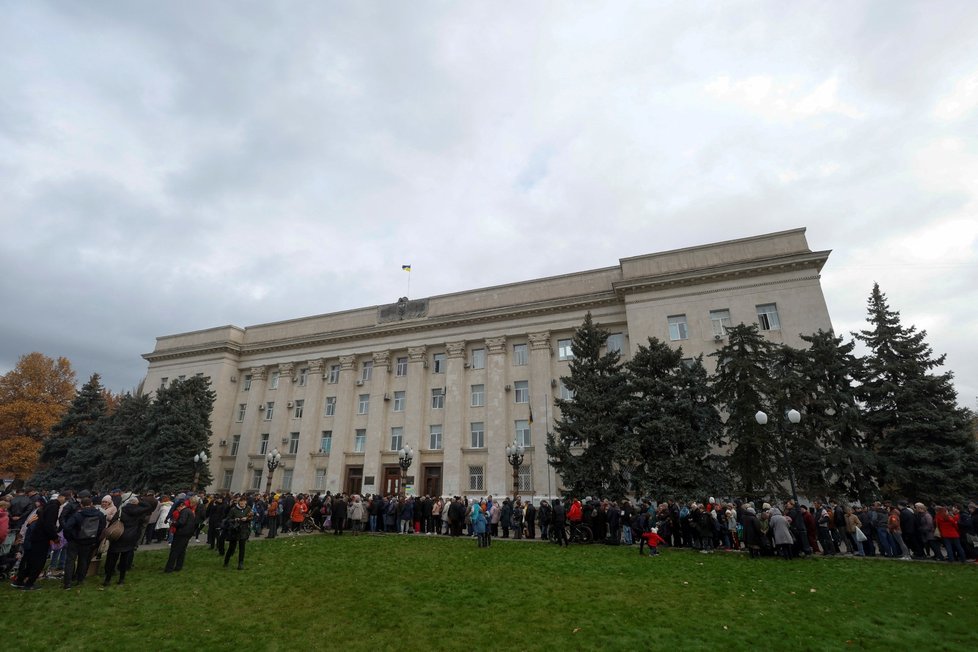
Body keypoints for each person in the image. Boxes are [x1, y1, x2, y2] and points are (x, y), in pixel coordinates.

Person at [103, 493, 157, 586]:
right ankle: (121, 580)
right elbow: (149, 506)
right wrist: (140, 500)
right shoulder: (139, 512)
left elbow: (113, 522)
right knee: (124, 560)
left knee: (112, 559)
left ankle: (107, 579)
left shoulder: (121, 511)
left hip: (118, 536)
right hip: (130, 538)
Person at [11, 495, 59, 590]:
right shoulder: (41, 519)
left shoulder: (35, 517)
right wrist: (55, 537)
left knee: (29, 562)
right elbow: (47, 528)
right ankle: (29, 583)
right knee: (37, 563)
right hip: (38, 543)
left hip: (30, 543)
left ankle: (20, 580)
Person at [61, 495, 105, 589]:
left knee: (70, 561)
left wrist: (70, 537)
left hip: (75, 541)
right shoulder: (99, 514)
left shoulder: (78, 515)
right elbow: (101, 528)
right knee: (84, 561)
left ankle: (67, 583)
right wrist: (95, 539)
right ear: (91, 504)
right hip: (89, 541)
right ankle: (80, 580)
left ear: (81, 505)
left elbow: (67, 527)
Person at [164, 497, 198, 573]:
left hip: (181, 533)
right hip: (187, 533)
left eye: (177, 508)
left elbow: (181, 522)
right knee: (182, 551)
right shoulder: (190, 511)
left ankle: (169, 568)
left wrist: (173, 523)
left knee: (174, 551)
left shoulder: (184, 511)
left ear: (181, 506)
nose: (177, 510)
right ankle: (178, 566)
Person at [224, 495, 252, 570]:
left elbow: (251, 517)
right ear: (238, 502)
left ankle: (240, 563)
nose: (242, 503)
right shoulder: (233, 509)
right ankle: (226, 561)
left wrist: (246, 518)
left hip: (244, 530)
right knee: (232, 547)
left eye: (243, 501)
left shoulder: (248, 508)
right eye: (241, 501)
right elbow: (228, 519)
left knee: (242, 547)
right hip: (235, 530)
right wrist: (235, 519)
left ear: (246, 502)